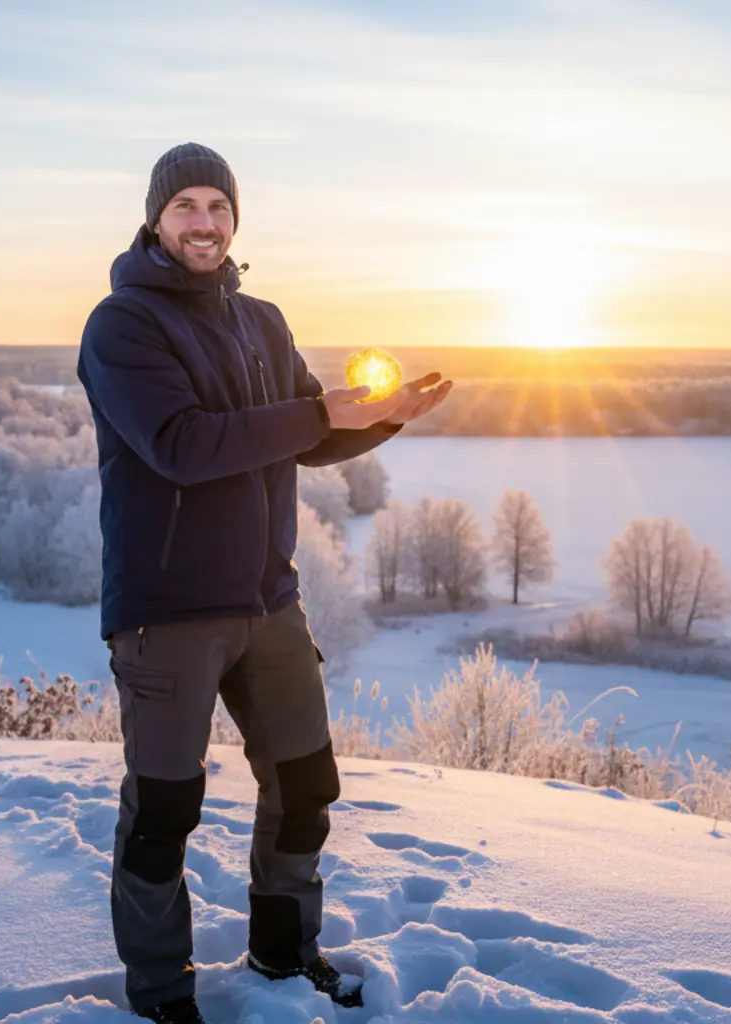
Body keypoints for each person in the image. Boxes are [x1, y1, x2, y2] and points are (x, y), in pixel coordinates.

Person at [76, 142, 451, 1022]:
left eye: (217, 206)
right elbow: (182, 443)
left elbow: (308, 437)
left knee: (306, 786)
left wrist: (382, 420)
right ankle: (163, 992)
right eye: (186, 208)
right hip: (167, 612)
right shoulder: (122, 323)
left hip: (268, 604)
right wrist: (322, 411)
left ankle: (284, 957)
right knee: (164, 814)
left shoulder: (263, 321)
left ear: (234, 218)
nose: (204, 223)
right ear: (156, 219)